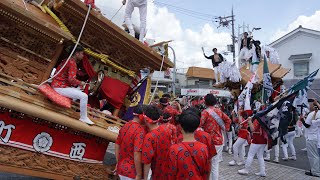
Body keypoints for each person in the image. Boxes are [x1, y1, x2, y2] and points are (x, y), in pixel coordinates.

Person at [52, 46, 94, 125]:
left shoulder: (66, 60)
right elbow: (71, 79)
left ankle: (66, 111)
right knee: (84, 96)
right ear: (76, 54)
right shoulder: (72, 62)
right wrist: (81, 83)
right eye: (81, 54)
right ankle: (83, 117)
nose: (82, 56)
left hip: (57, 85)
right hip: (59, 87)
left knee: (78, 92)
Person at [165, 111, 210, 180]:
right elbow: (206, 170)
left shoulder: (174, 149)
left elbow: (171, 172)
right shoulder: (203, 148)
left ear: (180, 127)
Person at [200, 94, 231, 180]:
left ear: (206, 102)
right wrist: (226, 129)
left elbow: (199, 124)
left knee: (207, 164)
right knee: (215, 164)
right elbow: (228, 120)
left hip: (208, 141)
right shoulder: (219, 111)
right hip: (219, 140)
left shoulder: (205, 112)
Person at [142, 105, 173, 180]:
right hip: (168, 167)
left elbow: (147, 160)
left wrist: (145, 177)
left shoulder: (149, 137)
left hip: (157, 171)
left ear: (146, 120)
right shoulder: (166, 129)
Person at [115, 105, 146, 180]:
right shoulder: (140, 131)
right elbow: (137, 153)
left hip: (120, 168)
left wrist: (118, 162)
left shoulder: (125, 125)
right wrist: (139, 174)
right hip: (131, 172)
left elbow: (117, 144)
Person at [301, 100, 320, 177]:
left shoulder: (312, 114)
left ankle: (315, 171)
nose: (309, 106)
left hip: (312, 137)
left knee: (313, 156)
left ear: (314, 106)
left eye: (310, 105)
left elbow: (307, 125)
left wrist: (302, 120)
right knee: (316, 155)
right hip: (317, 137)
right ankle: (316, 170)